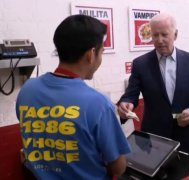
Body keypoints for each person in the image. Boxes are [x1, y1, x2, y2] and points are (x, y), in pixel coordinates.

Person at [16, 15, 131, 180]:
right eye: (102, 52)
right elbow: (118, 168)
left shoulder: (28, 90)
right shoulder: (99, 103)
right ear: (91, 54)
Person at [117, 13, 189, 156]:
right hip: (154, 137)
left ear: (175, 34)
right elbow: (130, 95)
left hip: (185, 135)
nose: (159, 40)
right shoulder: (140, 64)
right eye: (155, 35)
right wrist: (125, 104)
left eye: (165, 35)